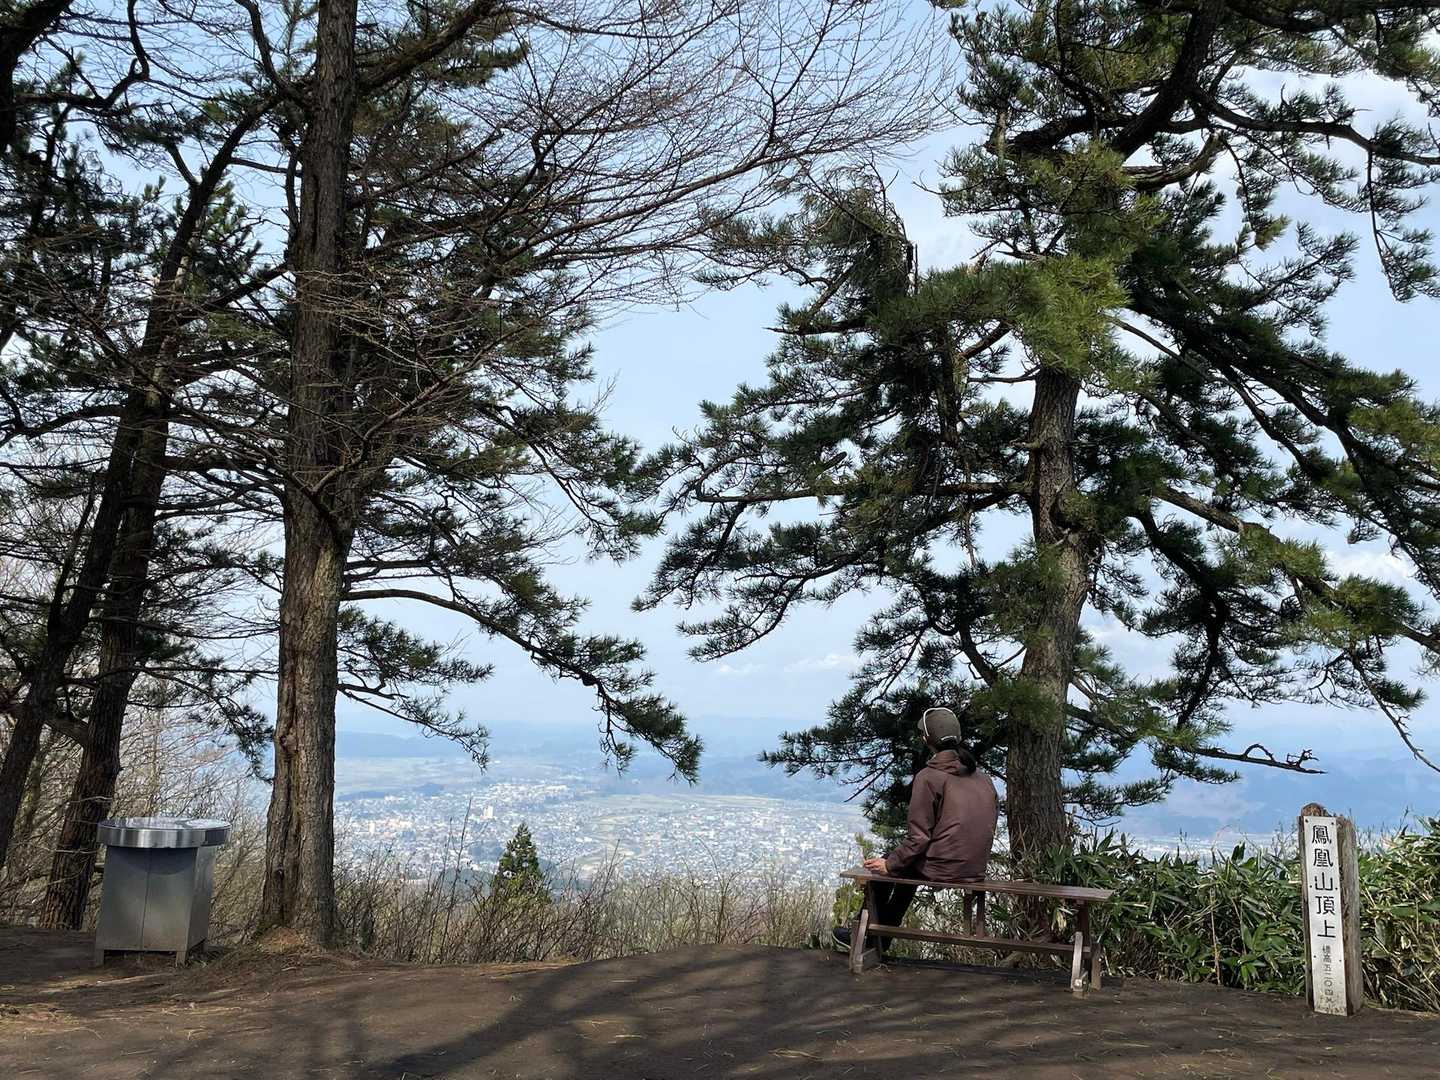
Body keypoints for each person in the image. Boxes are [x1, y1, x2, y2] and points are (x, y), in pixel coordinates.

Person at [833, 706, 999, 954]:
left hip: (945, 867)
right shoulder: (983, 778)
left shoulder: (929, 776)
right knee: (902, 865)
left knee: (886, 868)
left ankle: (862, 938)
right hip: (975, 868)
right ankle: (878, 939)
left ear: (925, 739)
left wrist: (889, 865)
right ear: (959, 737)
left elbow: (918, 838)